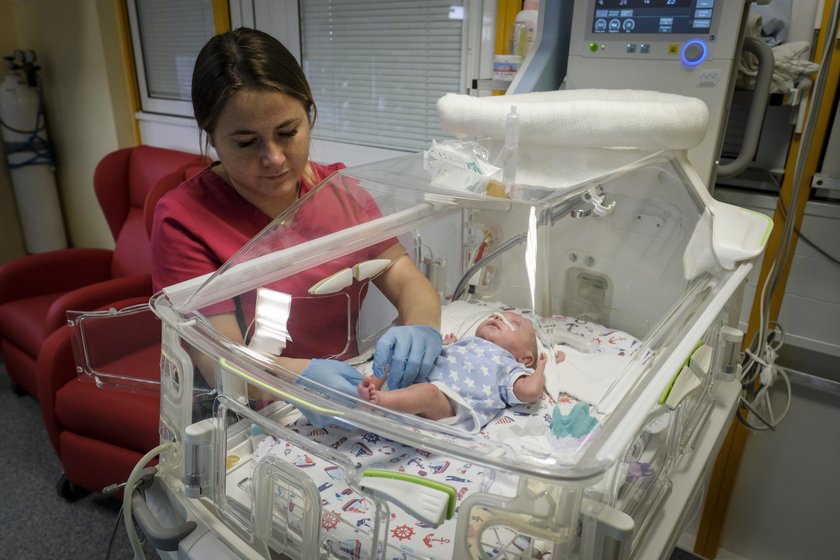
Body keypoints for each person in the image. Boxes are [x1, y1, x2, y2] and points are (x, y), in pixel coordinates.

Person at [150, 27, 441, 399]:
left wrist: (421, 327)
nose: (273, 158)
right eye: (245, 142)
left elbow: (404, 277)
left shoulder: (340, 190)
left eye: (287, 132)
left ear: (310, 113)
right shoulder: (185, 220)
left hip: (352, 390)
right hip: (249, 407)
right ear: (211, 137)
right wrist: (300, 378)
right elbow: (219, 360)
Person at [358, 311, 547, 433]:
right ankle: (373, 383)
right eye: (496, 315)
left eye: (514, 322)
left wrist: (540, 368)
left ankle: (380, 401)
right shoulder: (467, 342)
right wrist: (449, 344)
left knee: (427, 393)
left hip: (451, 400)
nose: (499, 318)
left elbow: (530, 392)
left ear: (525, 358)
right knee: (400, 355)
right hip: (424, 373)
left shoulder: (508, 365)